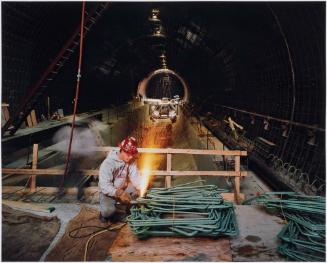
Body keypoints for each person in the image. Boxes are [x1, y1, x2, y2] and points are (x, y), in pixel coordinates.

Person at [98, 136, 141, 223]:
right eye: (128, 154)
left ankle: (128, 211)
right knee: (107, 212)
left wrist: (140, 187)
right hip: (109, 191)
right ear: (121, 150)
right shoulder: (108, 163)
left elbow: (135, 177)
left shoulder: (131, 161)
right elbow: (104, 185)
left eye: (132, 155)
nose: (130, 157)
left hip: (123, 187)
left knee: (137, 194)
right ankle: (107, 214)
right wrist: (118, 193)